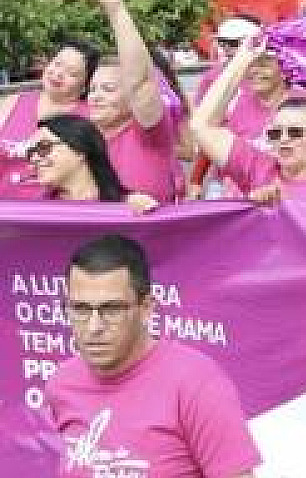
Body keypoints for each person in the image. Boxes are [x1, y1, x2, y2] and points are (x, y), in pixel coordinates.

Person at [46, 234, 260, 477]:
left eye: (112, 309)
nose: (94, 326)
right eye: (81, 309)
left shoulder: (196, 385)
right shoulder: (61, 384)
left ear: (147, 308)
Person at [190, 39, 306, 204]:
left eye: (295, 132)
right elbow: (201, 125)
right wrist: (242, 59)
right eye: (274, 134)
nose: (283, 139)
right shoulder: (261, 170)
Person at [87, 0, 178, 203]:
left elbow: (141, 83)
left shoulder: (149, 134)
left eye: (108, 89)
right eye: (92, 89)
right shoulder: (76, 139)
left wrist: (116, 9)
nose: (96, 96)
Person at [0, 39, 98, 198]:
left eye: (71, 73)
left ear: (85, 86)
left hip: (57, 214)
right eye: (57, 64)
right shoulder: (12, 102)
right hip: (6, 212)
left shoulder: (92, 117)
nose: (58, 74)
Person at [26, 114, 156, 212]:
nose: (34, 158)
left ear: (79, 149)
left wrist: (144, 211)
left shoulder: (129, 204)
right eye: (31, 151)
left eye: (43, 147)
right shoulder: (37, 210)